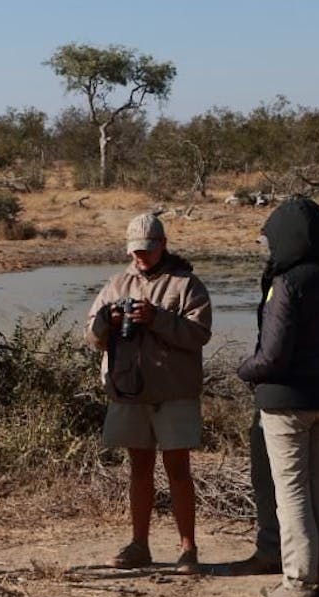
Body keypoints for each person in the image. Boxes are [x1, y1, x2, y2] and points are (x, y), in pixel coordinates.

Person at [236, 198, 319, 597]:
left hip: (286, 403)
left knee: (291, 493)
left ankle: (298, 584)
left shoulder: (286, 282)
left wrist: (243, 369)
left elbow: (272, 356)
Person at [85, 213, 212, 572]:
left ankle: (188, 549)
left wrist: (156, 318)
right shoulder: (116, 284)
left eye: (147, 250)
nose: (140, 257)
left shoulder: (187, 285)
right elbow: (91, 337)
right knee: (138, 468)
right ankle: (139, 544)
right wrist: (104, 323)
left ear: (163, 246)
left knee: (178, 469)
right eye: (135, 251)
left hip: (173, 394)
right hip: (129, 393)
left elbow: (198, 334)